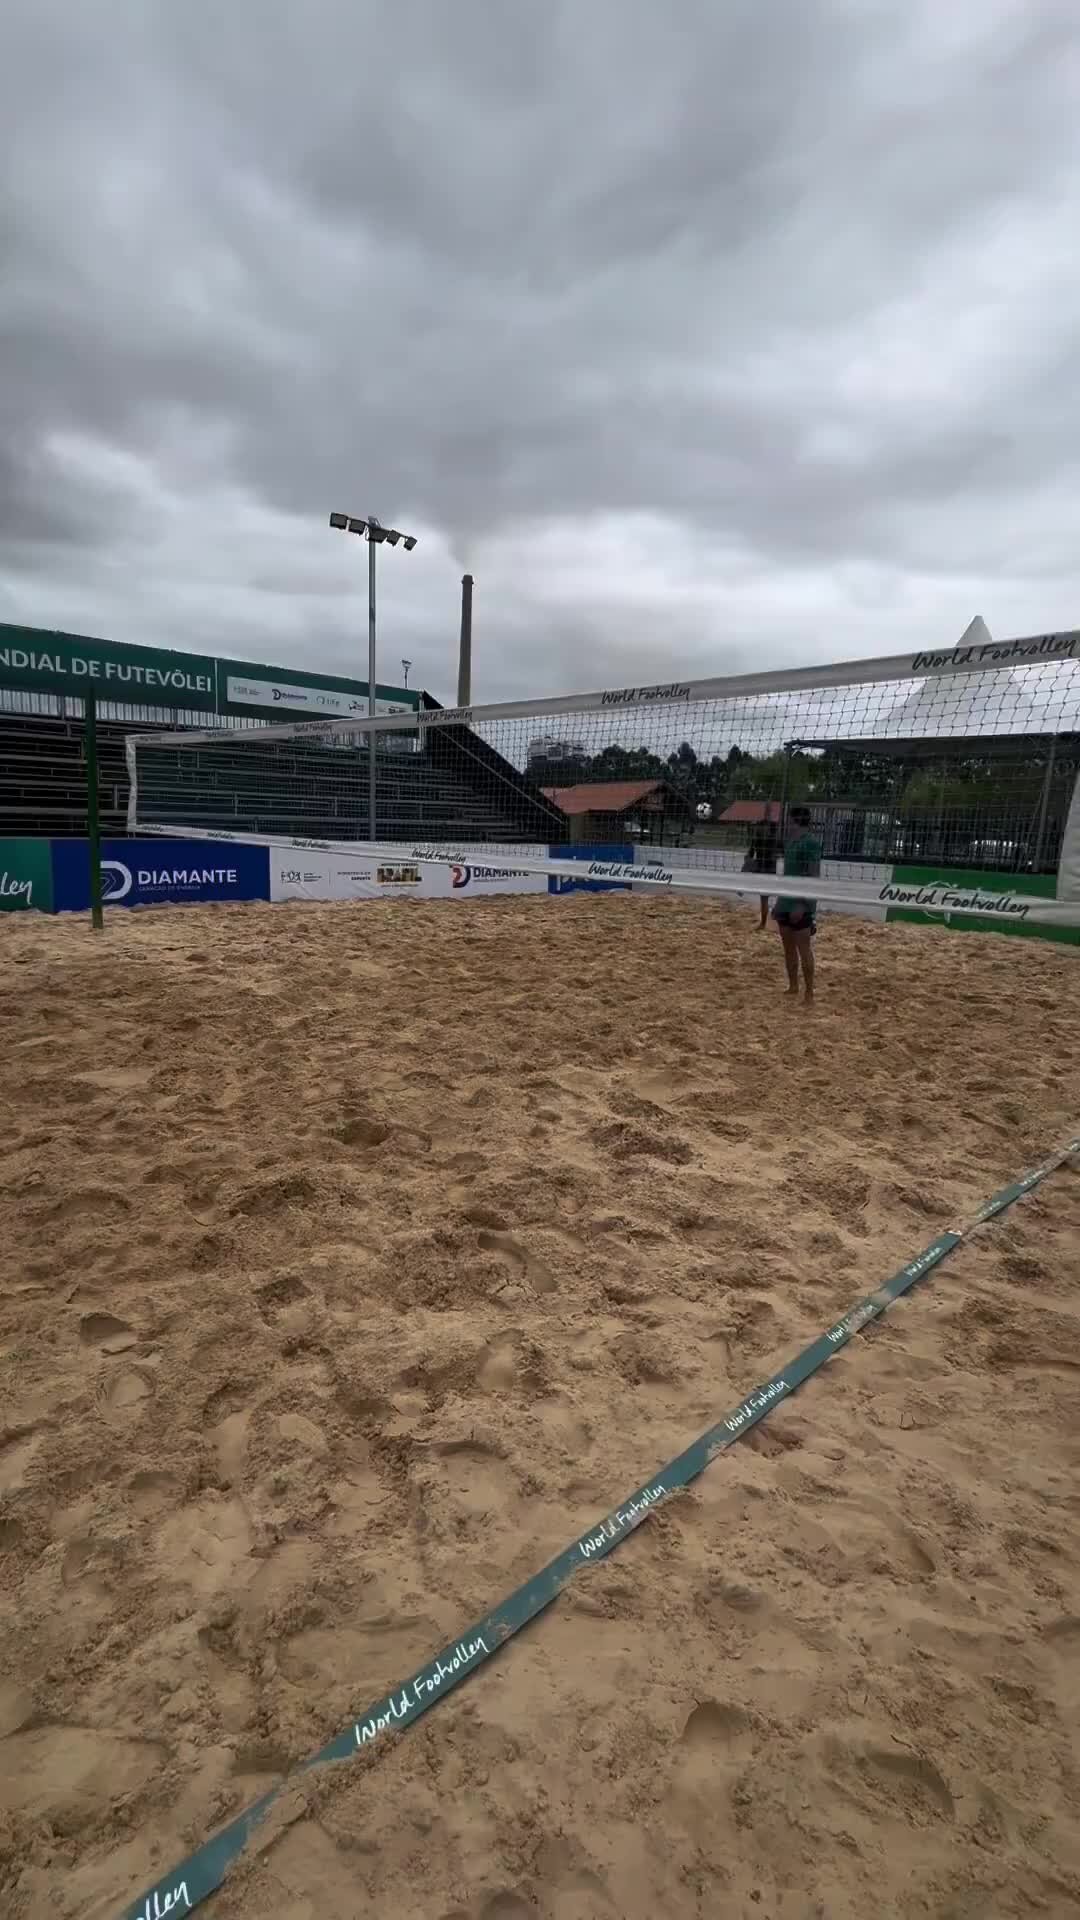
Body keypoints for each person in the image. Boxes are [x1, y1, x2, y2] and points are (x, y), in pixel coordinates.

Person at [773, 805, 822, 1001]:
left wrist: (802, 904)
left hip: (801, 904)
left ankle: (809, 992)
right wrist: (779, 902)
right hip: (785, 902)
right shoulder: (791, 843)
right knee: (788, 948)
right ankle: (793, 986)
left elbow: (813, 875)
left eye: (787, 820)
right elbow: (788, 876)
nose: (785, 823)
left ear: (794, 821)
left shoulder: (810, 843)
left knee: (804, 948)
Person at [742, 810, 780, 930]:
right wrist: (748, 861)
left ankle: (771, 916)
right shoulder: (757, 839)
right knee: (764, 898)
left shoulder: (773, 840)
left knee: (772, 896)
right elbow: (749, 855)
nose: (757, 829)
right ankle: (764, 922)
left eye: (759, 827)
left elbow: (780, 853)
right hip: (761, 869)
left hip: (770, 869)